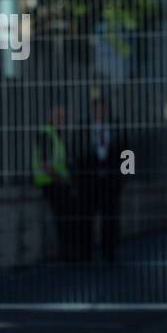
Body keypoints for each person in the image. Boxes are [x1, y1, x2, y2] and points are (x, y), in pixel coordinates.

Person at [75, 98, 128, 263]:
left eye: (103, 110)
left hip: (110, 182)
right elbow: (76, 152)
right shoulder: (83, 128)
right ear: (92, 110)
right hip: (89, 182)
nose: (100, 113)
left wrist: (125, 176)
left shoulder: (116, 127)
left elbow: (128, 153)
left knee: (110, 219)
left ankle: (109, 252)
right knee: (86, 218)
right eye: (97, 109)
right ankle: (86, 254)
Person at [32, 104, 75, 261]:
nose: (61, 121)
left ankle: (68, 252)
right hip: (51, 183)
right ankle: (67, 253)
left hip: (57, 182)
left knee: (65, 217)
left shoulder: (55, 135)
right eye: (58, 117)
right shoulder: (46, 133)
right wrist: (64, 180)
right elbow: (45, 164)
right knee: (64, 218)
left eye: (63, 118)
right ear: (50, 118)